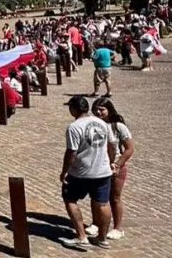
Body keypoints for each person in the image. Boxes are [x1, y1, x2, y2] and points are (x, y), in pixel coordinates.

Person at [59, 95, 115, 250]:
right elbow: (112, 145)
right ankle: (102, 238)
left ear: (73, 109)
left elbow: (71, 152)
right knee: (103, 204)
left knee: (70, 199)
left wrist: (64, 171)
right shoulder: (102, 123)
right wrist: (110, 162)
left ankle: (81, 236)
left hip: (81, 172)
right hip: (103, 172)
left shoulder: (74, 127)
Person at [85, 97, 133, 241]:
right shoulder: (92, 125)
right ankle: (96, 223)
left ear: (109, 110)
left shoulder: (118, 126)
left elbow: (129, 148)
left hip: (115, 167)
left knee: (114, 197)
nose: (98, 112)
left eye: (102, 109)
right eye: (96, 109)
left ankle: (118, 228)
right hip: (97, 166)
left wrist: (118, 164)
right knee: (96, 196)